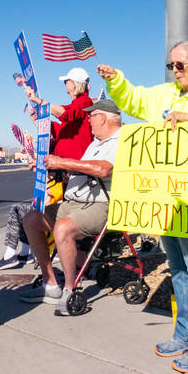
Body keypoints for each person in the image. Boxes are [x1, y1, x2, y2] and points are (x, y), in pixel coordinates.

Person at [98, 40, 188, 373]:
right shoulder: (167, 93)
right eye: (171, 65)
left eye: (180, 65)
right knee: (179, 267)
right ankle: (185, 334)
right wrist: (116, 80)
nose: (175, 71)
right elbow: (136, 99)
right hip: (167, 199)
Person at [18, 98, 121, 310]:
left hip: (100, 206)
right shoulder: (96, 142)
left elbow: (103, 169)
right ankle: (50, 284)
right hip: (74, 202)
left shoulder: (120, 140)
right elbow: (80, 167)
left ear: (102, 117)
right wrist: (45, 165)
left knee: (63, 227)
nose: (89, 120)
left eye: (91, 116)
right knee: (31, 219)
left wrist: (61, 161)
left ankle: (69, 289)